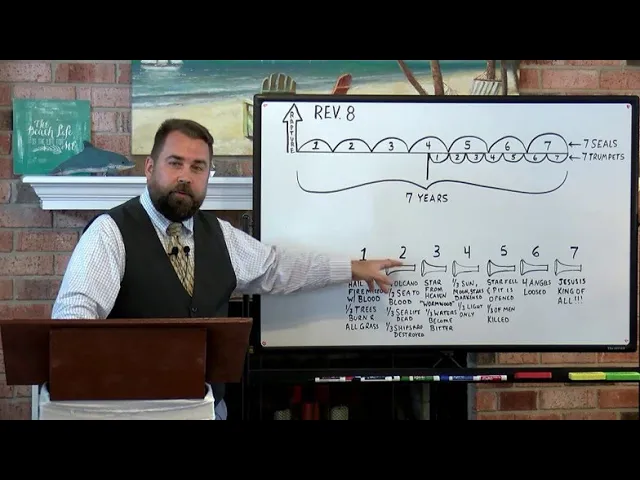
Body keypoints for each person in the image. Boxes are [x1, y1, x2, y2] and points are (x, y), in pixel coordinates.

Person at [52, 118, 402, 420]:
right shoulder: (109, 233)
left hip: (209, 409)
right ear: (149, 167)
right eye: (175, 163)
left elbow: (278, 268)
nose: (185, 177)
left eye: (197, 167)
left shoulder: (221, 235)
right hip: (133, 411)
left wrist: (352, 268)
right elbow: (72, 323)